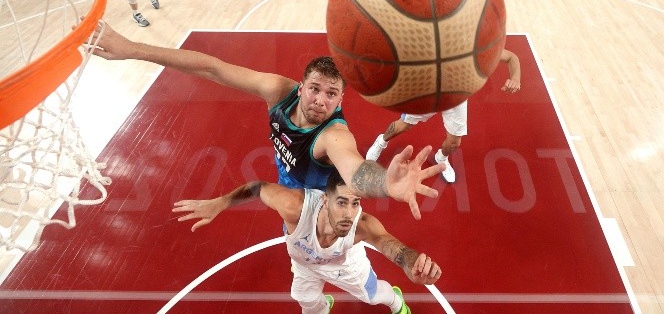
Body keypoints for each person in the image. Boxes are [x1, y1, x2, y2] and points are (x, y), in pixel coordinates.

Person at [91, 22, 443, 219]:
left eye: (331, 94)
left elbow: (355, 169)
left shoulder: (334, 135)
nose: (320, 101)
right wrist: (131, 49)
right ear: (301, 86)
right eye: (315, 89)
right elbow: (211, 67)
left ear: (340, 100)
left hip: (319, 204)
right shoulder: (279, 90)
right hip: (287, 184)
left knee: (331, 259)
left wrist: (386, 186)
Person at [173, 170, 442, 314]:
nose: (349, 212)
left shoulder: (360, 225)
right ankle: (323, 307)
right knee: (304, 299)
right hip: (305, 264)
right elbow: (257, 188)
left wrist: (409, 263)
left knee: (372, 297)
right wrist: (220, 203)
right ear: (325, 200)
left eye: (355, 203)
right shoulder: (296, 208)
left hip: (346, 266)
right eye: (341, 202)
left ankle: (396, 300)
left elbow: (388, 243)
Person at [366, 49, 521, 183]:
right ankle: (381, 142)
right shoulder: (434, 41)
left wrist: (515, 77)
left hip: (456, 98)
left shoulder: (477, 47)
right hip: (429, 93)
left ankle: (441, 158)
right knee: (402, 126)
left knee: (454, 143)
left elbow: (511, 57)